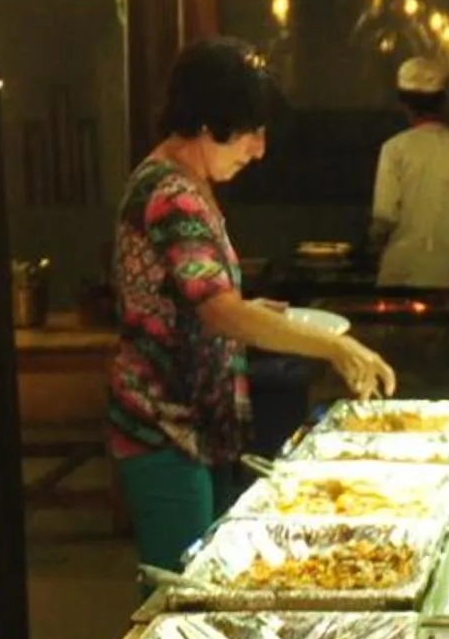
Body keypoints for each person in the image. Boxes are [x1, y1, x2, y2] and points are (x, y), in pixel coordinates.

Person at [109, 38, 396, 572]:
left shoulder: (187, 183)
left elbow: (194, 301)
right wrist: (333, 346)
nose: (259, 149)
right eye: (249, 131)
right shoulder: (172, 192)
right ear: (206, 121)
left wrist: (255, 311)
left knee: (204, 578)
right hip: (166, 428)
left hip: (194, 428)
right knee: (180, 593)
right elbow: (218, 309)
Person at [369, 56, 449, 290]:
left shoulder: (394, 149)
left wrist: (373, 242)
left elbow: (385, 214)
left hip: (401, 275)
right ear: (443, 101)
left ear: (403, 103)